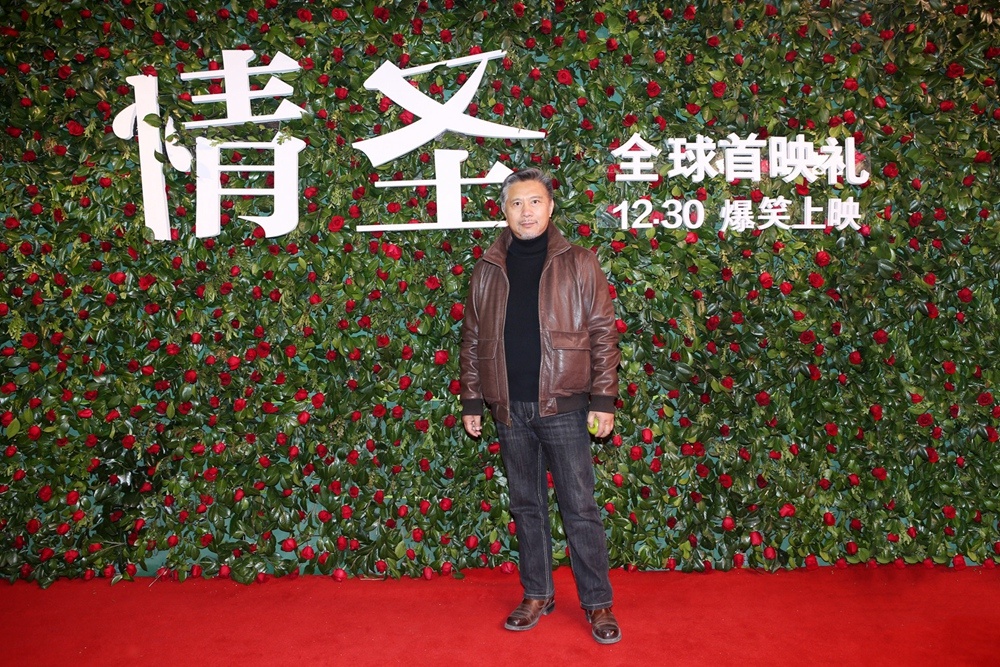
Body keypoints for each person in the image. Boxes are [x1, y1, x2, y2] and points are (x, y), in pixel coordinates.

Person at [459, 168, 622, 645]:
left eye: (534, 202)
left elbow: (603, 333)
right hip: (509, 407)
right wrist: (472, 398)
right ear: (503, 210)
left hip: (565, 406)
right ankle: (537, 593)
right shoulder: (488, 268)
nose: (526, 212)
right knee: (526, 506)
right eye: (516, 203)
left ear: (550, 207)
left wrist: (603, 399)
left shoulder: (580, 262)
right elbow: (472, 338)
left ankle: (598, 603)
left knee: (580, 508)